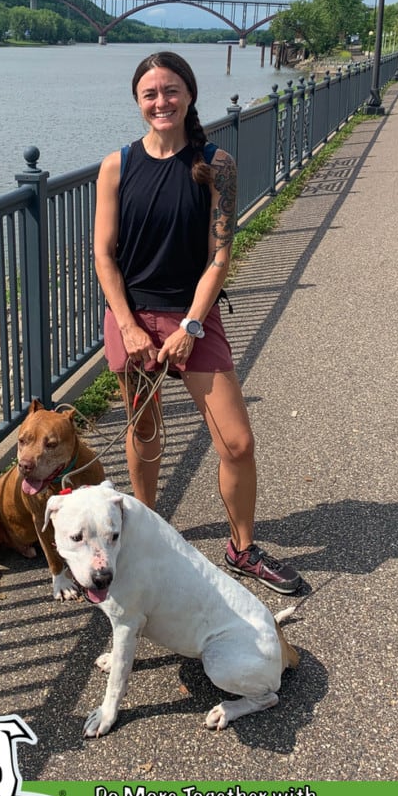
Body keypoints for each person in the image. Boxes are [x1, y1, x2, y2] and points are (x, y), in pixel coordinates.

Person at [93, 51, 301, 594]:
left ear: (188, 94)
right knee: (144, 433)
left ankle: (242, 547)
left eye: (170, 91)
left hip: (194, 318)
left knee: (236, 442)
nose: (161, 101)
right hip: (133, 319)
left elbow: (219, 256)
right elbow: (104, 257)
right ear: (138, 103)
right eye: (150, 94)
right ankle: (144, 532)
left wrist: (190, 325)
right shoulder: (116, 165)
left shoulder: (217, 164)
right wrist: (129, 325)